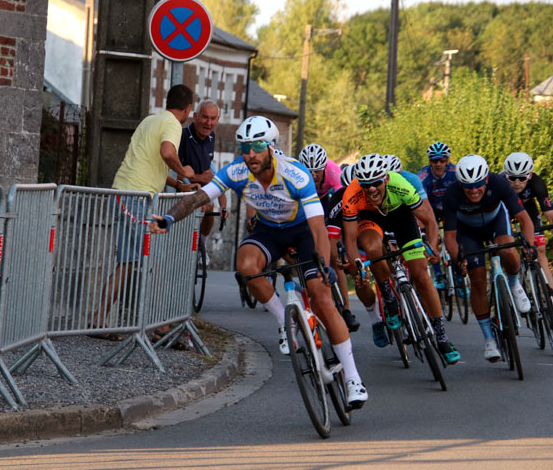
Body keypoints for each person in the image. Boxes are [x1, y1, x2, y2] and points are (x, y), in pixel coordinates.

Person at [149, 115, 368, 407]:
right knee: (246, 264)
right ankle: (284, 323)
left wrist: (323, 264)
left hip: (302, 231)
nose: (250, 153)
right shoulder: (237, 172)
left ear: (270, 146)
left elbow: (317, 226)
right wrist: (170, 218)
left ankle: (353, 379)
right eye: (244, 147)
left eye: (256, 146)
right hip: (269, 232)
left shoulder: (296, 174)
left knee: (321, 297)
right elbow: (199, 198)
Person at [342, 154, 461, 365]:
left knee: (422, 277)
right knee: (371, 247)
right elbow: (351, 240)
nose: (371, 189)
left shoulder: (400, 185)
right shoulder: (351, 194)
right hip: (370, 221)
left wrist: (432, 246)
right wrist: (357, 266)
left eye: (376, 182)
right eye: (366, 185)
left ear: (386, 179)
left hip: (401, 218)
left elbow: (429, 221)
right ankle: (388, 295)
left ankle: (442, 337)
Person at [100, 85, 196, 328]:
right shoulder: (174, 125)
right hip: (134, 195)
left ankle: (104, 320)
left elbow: (152, 164)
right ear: (187, 109)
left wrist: (177, 184)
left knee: (132, 261)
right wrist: (183, 171)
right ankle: (152, 326)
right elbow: (166, 153)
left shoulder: (150, 121)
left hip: (129, 193)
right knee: (139, 261)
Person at [442, 155, 535, 362]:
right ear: (460, 184)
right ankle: (489, 339)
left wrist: (530, 245)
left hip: (496, 223)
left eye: (477, 185)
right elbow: (450, 237)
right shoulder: (452, 194)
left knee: (507, 249)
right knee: (477, 279)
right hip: (467, 232)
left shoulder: (498, 183)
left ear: (485, 180)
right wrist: (458, 260)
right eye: (468, 187)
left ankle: (514, 284)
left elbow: (523, 218)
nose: (473, 190)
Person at [298, 144, 360, 333]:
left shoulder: (333, 172)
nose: (314, 176)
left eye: (317, 171)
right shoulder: (297, 175)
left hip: (328, 201)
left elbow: (343, 199)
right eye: (309, 172)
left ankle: (346, 309)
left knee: (334, 257)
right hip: (306, 201)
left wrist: (336, 231)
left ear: (324, 168)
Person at [502, 152, 553, 334]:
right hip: (505, 212)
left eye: (522, 178)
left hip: (528, 212)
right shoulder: (499, 184)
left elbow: (549, 211)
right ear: (506, 175)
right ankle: (508, 306)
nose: (516, 182)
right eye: (512, 177)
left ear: (529, 175)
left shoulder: (537, 183)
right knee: (506, 253)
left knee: (540, 250)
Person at [325, 164, 386, 346]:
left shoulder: (374, 194)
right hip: (353, 243)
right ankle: (375, 319)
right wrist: (339, 258)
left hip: (377, 233)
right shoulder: (338, 200)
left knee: (388, 258)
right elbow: (333, 238)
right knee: (360, 278)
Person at [167, 100, 229, 264]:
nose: (209, 123)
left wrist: (223, 206)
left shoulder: (211, 137)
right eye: (205, 117)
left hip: (199, 192)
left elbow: (214, 178)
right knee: (205, 204)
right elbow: (177, 173)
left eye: (213, 118)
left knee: (210, 207)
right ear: (195, 117)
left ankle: (202, 247)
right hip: (179, 191)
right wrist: (199, 178)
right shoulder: (182, 136)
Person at [418, 143, 459, 290]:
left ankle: (458, 274)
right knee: (431, 238)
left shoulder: (455, 172)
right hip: (431, 209)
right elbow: (422, 205)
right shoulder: (423, 177)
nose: (439, 164)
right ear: (430, 162)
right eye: (435, 161)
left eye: (442, 160)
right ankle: (438, 273)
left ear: (447, 161)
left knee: (455, 239)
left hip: (451, 207)